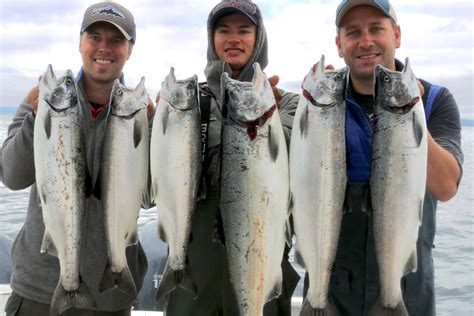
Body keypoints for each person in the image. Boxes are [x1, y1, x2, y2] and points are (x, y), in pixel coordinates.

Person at [301, 1, 464, 315]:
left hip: (407, 294)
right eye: (353, 33)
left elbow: (446, 186)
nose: (365, 41)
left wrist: (409, 116)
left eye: (376, 28)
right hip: (331, 295)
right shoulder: (319, 105)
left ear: (397, 35)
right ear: (339, 44)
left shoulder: (435, 101)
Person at [1, 2, 154, 315]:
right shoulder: (40, 101)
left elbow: (150, 199)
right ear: (80, 43)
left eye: (116, 40)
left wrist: (164, 133)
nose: (104, 48)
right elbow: (12, 176)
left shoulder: (142, 116)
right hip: (39, 291)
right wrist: (35, 118)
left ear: (130, 49)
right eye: (95, 37)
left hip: (110, 293)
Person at [162, 0, 301, 315]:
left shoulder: (287, 105)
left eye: (244, 30)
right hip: (193, 283)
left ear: (258, 39)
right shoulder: (186, 104)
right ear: (212, 40)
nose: (233, 38)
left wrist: (267, 123)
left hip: (264, 266)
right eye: (224, 30)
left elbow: (297, 163)